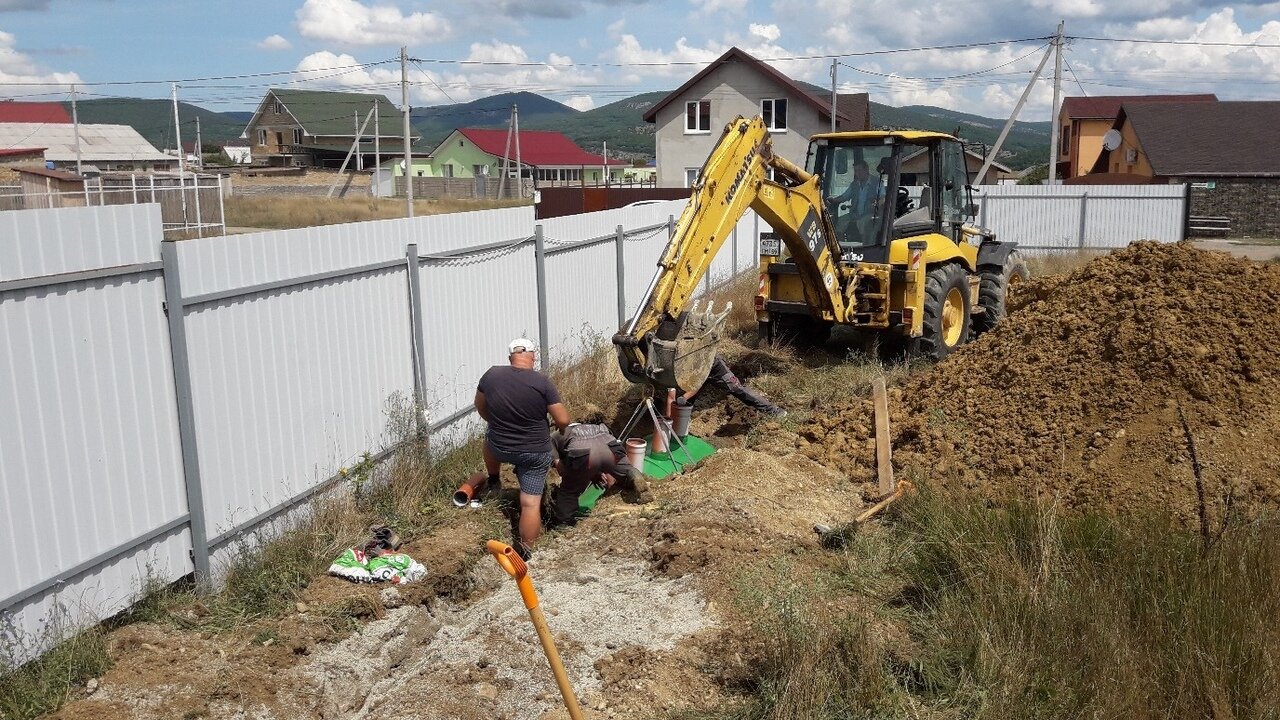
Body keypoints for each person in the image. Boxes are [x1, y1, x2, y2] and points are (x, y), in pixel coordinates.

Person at [475, 337, 570, 558]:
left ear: (510, 358)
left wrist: (495, 422)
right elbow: (563, 420)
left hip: (500, 447)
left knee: (489, 436)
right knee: (529, 504)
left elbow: (479, 406)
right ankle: (526, 553)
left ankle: (493, 478)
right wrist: (558, 425)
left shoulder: (491, 375)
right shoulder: (542, 382)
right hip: (534, 454)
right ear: (533, 356)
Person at [548, 407, 651, 527]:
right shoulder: (596, 427)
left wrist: (557, 462)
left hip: (584, 454)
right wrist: (595, 473)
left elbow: (548, 444)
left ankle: (563, 523)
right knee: (625, 472)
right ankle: (634, 476)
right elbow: (600, 453)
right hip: (609, 447)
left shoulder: (560, 432)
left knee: (569, 491)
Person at [680, 354, 785, 418]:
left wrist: (684, 397)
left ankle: (774, 411)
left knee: (737, 388)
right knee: (684, 395)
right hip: (691, 366)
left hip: (713, 366)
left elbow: (697, 384)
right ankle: (683, 419)